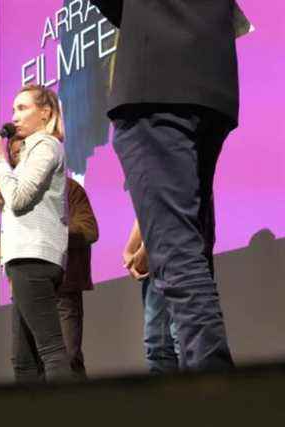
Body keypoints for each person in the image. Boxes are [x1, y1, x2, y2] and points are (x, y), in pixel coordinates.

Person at [92, 0, 237, 370]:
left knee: (178, 257)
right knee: (192, 252)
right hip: (213, 79)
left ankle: (223, 401)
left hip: (154, 76)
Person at [0, 83, 73, 383]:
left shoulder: (46, 145)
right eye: (13, 109)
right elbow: (22, 201)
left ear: (45, 113)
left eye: (22, 108)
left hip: (34, 257)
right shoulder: (33, 150)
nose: (14, 116)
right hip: (23, 256)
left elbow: (20, 199)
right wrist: (2, 203)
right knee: (23, 359)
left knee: (50, 349)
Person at [0, 136, 99, 381]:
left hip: (63, 286)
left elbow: (90, 230)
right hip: (26, 286)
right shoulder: (15, 195)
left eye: (23, 151)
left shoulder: (69, 188)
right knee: (24, 361)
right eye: (14, 153)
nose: (18, 157)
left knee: (66, 358)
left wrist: (48, 232)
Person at [123, 219, 180, 374]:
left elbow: (159, 204)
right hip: (156, 263)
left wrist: (144, 251)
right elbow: (144, 207)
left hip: (180, 255)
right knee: (157, 346)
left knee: (184, 340)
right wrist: (129, 250)